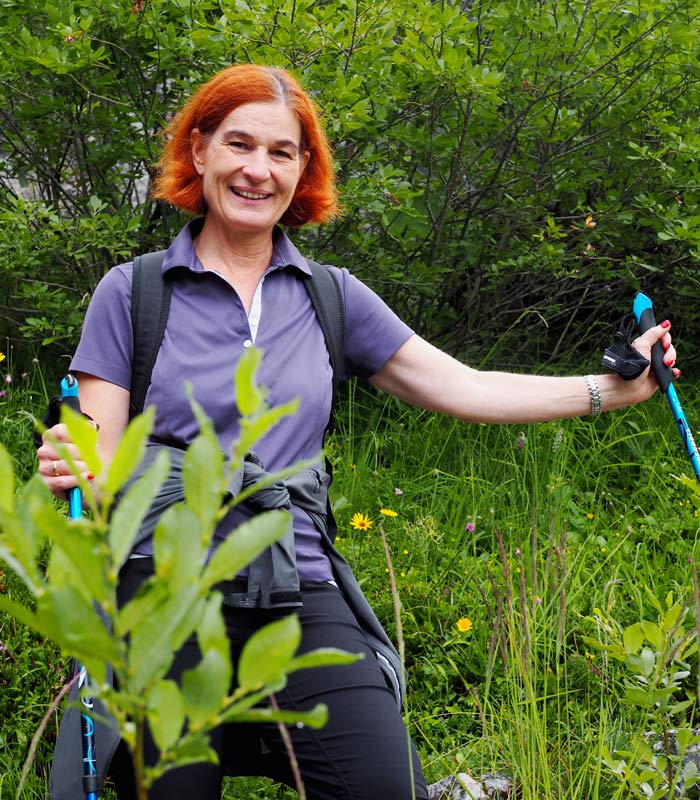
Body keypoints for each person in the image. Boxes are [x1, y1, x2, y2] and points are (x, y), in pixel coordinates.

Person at [36, 64, 679, 800]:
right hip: (161, 587)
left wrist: (615, 388)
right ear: (200, 150)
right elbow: (101, 452)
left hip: (296, 582)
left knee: (383, 785)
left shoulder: (331, 296)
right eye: (238, 144)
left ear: (304, 168)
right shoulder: (134, 291)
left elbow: (467, 387)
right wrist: (76, 465)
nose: (257, 169)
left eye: (281, 152)